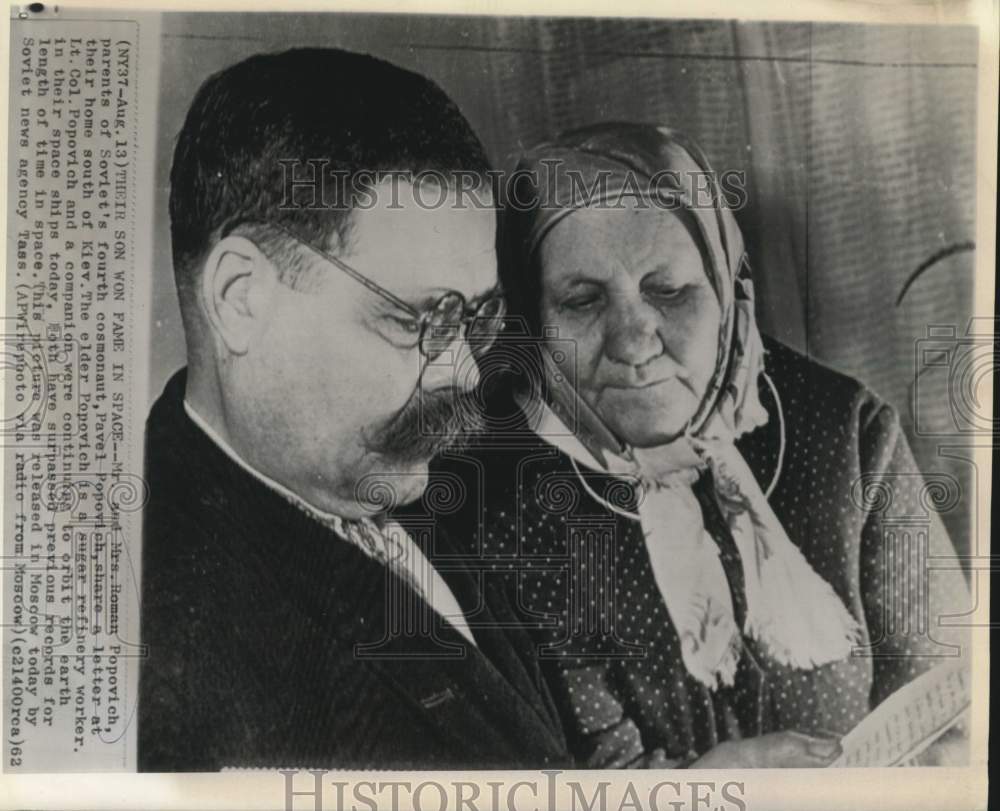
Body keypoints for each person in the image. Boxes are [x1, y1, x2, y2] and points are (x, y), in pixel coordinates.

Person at [436, 122, 970, 768]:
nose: (634, 341)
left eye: (669, 291)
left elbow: (950, 711)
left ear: (724, 285)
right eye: (581, 300)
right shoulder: (492, 497)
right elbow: (582, 774)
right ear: (534, 324)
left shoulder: (847, 433)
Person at [138, 48, 570, 771]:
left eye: (478, 315)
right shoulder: (151, 648)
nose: (465, 369)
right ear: (240, 300)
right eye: (420, 319)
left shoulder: (401, 469)